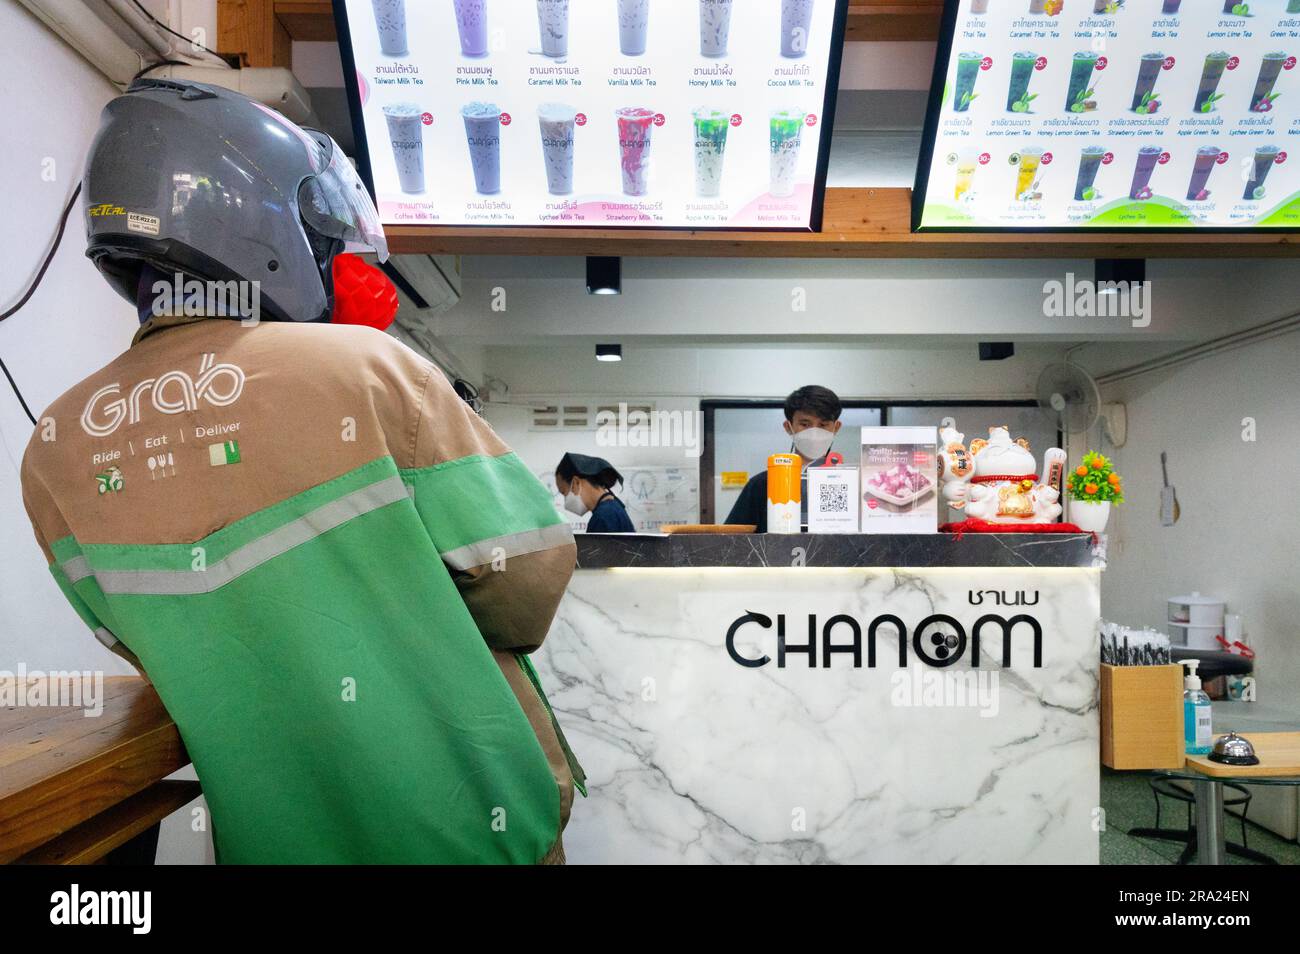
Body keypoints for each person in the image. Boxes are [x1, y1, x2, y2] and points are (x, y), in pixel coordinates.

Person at [20, 80, 583, 864]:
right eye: (320, 243)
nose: (325, 262)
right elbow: (527, 585)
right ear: (260, 223)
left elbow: (142, 644)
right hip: (468, 828)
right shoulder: (362, 368)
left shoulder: (54, 446)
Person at [724, 385, 844, 532]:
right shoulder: (762, 485)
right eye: (805, 424)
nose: (814, 432)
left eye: (823, 425)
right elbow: (732, 540)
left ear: (836, 427)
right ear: (788, 427)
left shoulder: (849, 483)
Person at [555, 452, 635, 532]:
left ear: (576, 483)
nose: (565, 502)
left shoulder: (603, 517)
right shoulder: (612, 508)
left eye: (563, 492)